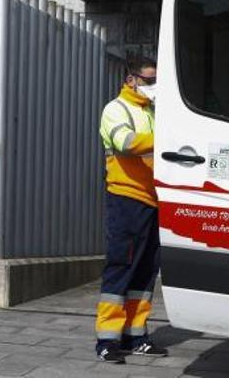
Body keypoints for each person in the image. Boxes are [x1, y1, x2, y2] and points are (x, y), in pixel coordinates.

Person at [94, 59, 167, 364]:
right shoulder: (116, 109)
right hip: (126, 198)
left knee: (145, 271)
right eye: (148, 80)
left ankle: (136, 335)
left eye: (156, 80)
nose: (153, 86)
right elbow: (125, 143)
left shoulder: (151, 113)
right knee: (121, 266)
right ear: (131, 79)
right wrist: (166, 140)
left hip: (153, 200)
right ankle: (107, 340)